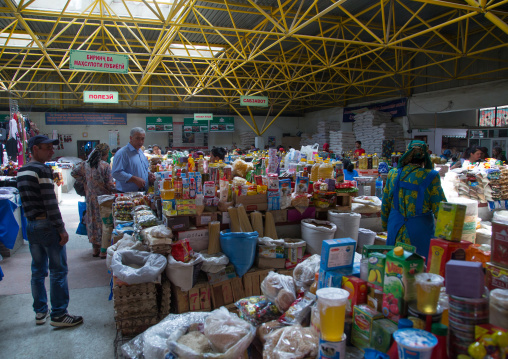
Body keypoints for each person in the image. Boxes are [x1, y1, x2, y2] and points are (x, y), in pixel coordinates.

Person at [16, 135, 83, 327]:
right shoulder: (42, 170)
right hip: (46, 224)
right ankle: (60, 314)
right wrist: (61, 228)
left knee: (37, 270)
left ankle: (40, 311)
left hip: (31, 225)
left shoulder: (22, 171)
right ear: (35, 149)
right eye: (47, 148)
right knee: (58, 270)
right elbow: (50, 202)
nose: (52, 151)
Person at [381, 140, 446, 258]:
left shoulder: (393, 174)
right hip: (420, 231)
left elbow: (385, 203)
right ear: (425, 156)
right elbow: (441, 209)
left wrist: (386, 226)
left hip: (395, 228)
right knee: (417, 268)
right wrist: (447, 235)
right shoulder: (431, 176)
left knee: (394, 266)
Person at [71, 144, 116, 258]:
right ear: (105, 154)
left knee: (92, 223)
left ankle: (94, 250)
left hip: (90, 199)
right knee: (104, 224)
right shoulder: (105, 166)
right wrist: (118, 189)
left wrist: (85, 181)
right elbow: (110, 184)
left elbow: (73, 172)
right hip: (103, 199)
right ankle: (103, 250)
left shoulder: (86, 164)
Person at [112, 127, 155, 192]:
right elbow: (116, 173)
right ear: (131, 138)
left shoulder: (140, 152)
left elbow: (145, 167)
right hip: (128, 194)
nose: (140, 142)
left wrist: (149, 174)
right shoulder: (122, 153)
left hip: (142, 192)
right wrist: (134, 179)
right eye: (137, 138)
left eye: (142, 139)